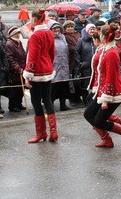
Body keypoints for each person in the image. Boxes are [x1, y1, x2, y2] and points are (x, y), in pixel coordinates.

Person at [83, 22, 121, 148]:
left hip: (112, 92)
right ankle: (107, 139)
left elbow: (111, 77)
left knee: (99, 121)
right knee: (88, 115)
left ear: (104, 36)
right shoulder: (105, 49)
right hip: (102, 91)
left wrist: (106, 100)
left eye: (100, 33)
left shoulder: (112, 52)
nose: (98, 36)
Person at [23, 9, 57, 143]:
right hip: (47, 70)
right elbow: (52, 53)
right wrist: (49, 64)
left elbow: (32, 57)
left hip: (36, 72)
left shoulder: (35, 35)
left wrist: (27, 75)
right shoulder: (49, 33)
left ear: (35, 19)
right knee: (48, 101)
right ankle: (53, 133)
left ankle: (41, 133)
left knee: (36, 102)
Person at [49, 22, 72, 111]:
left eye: (58, 28)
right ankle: (50, 105)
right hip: (54, 66)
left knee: (63, 86)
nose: (56, 30)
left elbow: (66, 51)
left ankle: (63, 105)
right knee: (53, 87)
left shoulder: (63, 37)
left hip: (64, 65)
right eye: (54, 28)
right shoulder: (49, 38)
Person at [5, 26, 27, 112]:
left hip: (22, 68)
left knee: (21, 89)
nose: (18, 35)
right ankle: (13, 106)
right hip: (14, 71)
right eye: (16, 33)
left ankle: (19, 103)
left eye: (18, 33)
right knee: (14, 90)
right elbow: (10, 58)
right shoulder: (9, 44)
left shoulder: (19, 42)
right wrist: (17, 67)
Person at [75, 24, 98, 103]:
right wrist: (80, 64)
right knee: (86, 85)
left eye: (93, 29)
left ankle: (94, 101)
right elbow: (77, 53)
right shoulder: (81, 40)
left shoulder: (97, 39)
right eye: (90, 29)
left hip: (96, 66)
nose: (92, 31)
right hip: (85, 66)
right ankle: (86, 101)